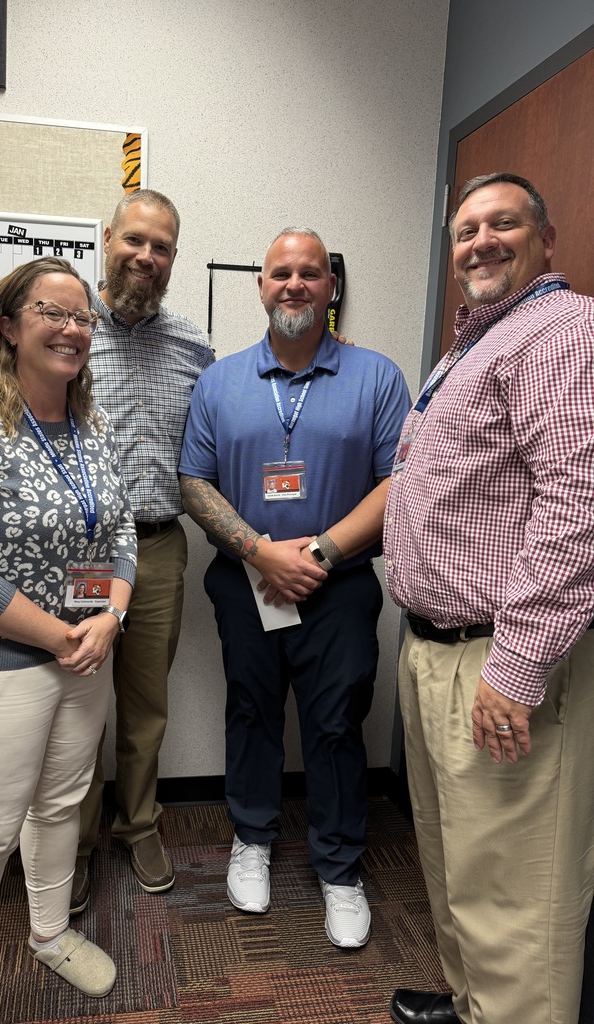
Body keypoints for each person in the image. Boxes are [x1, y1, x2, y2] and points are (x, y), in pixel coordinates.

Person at [384, 173, 594, 1024]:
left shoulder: (561, 331)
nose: (479, 241)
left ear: (548, 240)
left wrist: (516, 666)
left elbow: (578, 502)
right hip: (438, 647)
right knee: (456, 860)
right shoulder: (474, 343)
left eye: (502, 223)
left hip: (500, 657)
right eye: (465, 229)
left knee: (514, 887)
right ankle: (474, 1005)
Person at [0, 257, 137, 1024]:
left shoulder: (91, 428)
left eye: (84, 319)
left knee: (60, 807)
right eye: (54, 313)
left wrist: (111, 616)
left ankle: (49, 934)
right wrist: (59, 636)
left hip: (84, 653)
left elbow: (125, 531)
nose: (73, 330)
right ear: (9, 325)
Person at [178, 227, 410, 947]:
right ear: (260, 284)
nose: (294, 285)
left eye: (310, 273)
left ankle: (339, 868)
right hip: (245, 580)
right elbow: (194, 480)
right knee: (251, 709)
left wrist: (319, 550)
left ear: (330, 287)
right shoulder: (219, 381)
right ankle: (253, 837)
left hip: (338, 584)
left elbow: (397, 483)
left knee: (337, 721)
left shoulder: (377, 377)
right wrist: (260, 553)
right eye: (281, 273)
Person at [71, 190, 214, 912]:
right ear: (107, 239)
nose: (145, 257)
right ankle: (76, 839)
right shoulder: (64, 330)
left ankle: (138, 824)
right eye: (135, 240)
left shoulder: (193, 345)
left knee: (144, 703)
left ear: (173, 258)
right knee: (74, 703)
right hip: (74, 554)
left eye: (160, 247)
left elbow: (211, 453)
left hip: (158, 548)